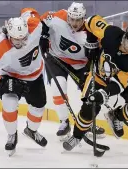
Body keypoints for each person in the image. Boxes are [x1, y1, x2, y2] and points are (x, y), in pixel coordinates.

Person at [63, 15, 128, 151]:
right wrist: (91, 42)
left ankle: (116, 116)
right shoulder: (111, 34)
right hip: (98, 75)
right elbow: (91, 20)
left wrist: (103, 93)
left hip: (118, 80)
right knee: (90, 108)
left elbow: (118, 84)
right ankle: (77, 136)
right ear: (124, 37)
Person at [0, 8, 47, 155]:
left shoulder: (35, 26)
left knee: (39, 107)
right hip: (12, 77)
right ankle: (11, 135)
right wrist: (2, 82)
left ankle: (31, 130)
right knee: (9, 105)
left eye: (23, 37)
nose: (21, 42)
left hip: (35, 76)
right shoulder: (0, 48)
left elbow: (29, 11)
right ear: (9, 35)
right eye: (16, 39)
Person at [39, 2, 105, 141]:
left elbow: (103, 45)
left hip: (81, 65)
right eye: (72, 19)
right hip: (57, 58)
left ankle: (86, 123)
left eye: (78, 19)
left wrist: (96, 52)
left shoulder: (90, 31)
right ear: (68, 15)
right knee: (59, 87)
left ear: (83, 18)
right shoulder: (58, 17)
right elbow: (43, 19)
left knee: (90, 95)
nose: (74, 23)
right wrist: (44, 35)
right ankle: (64, 122)